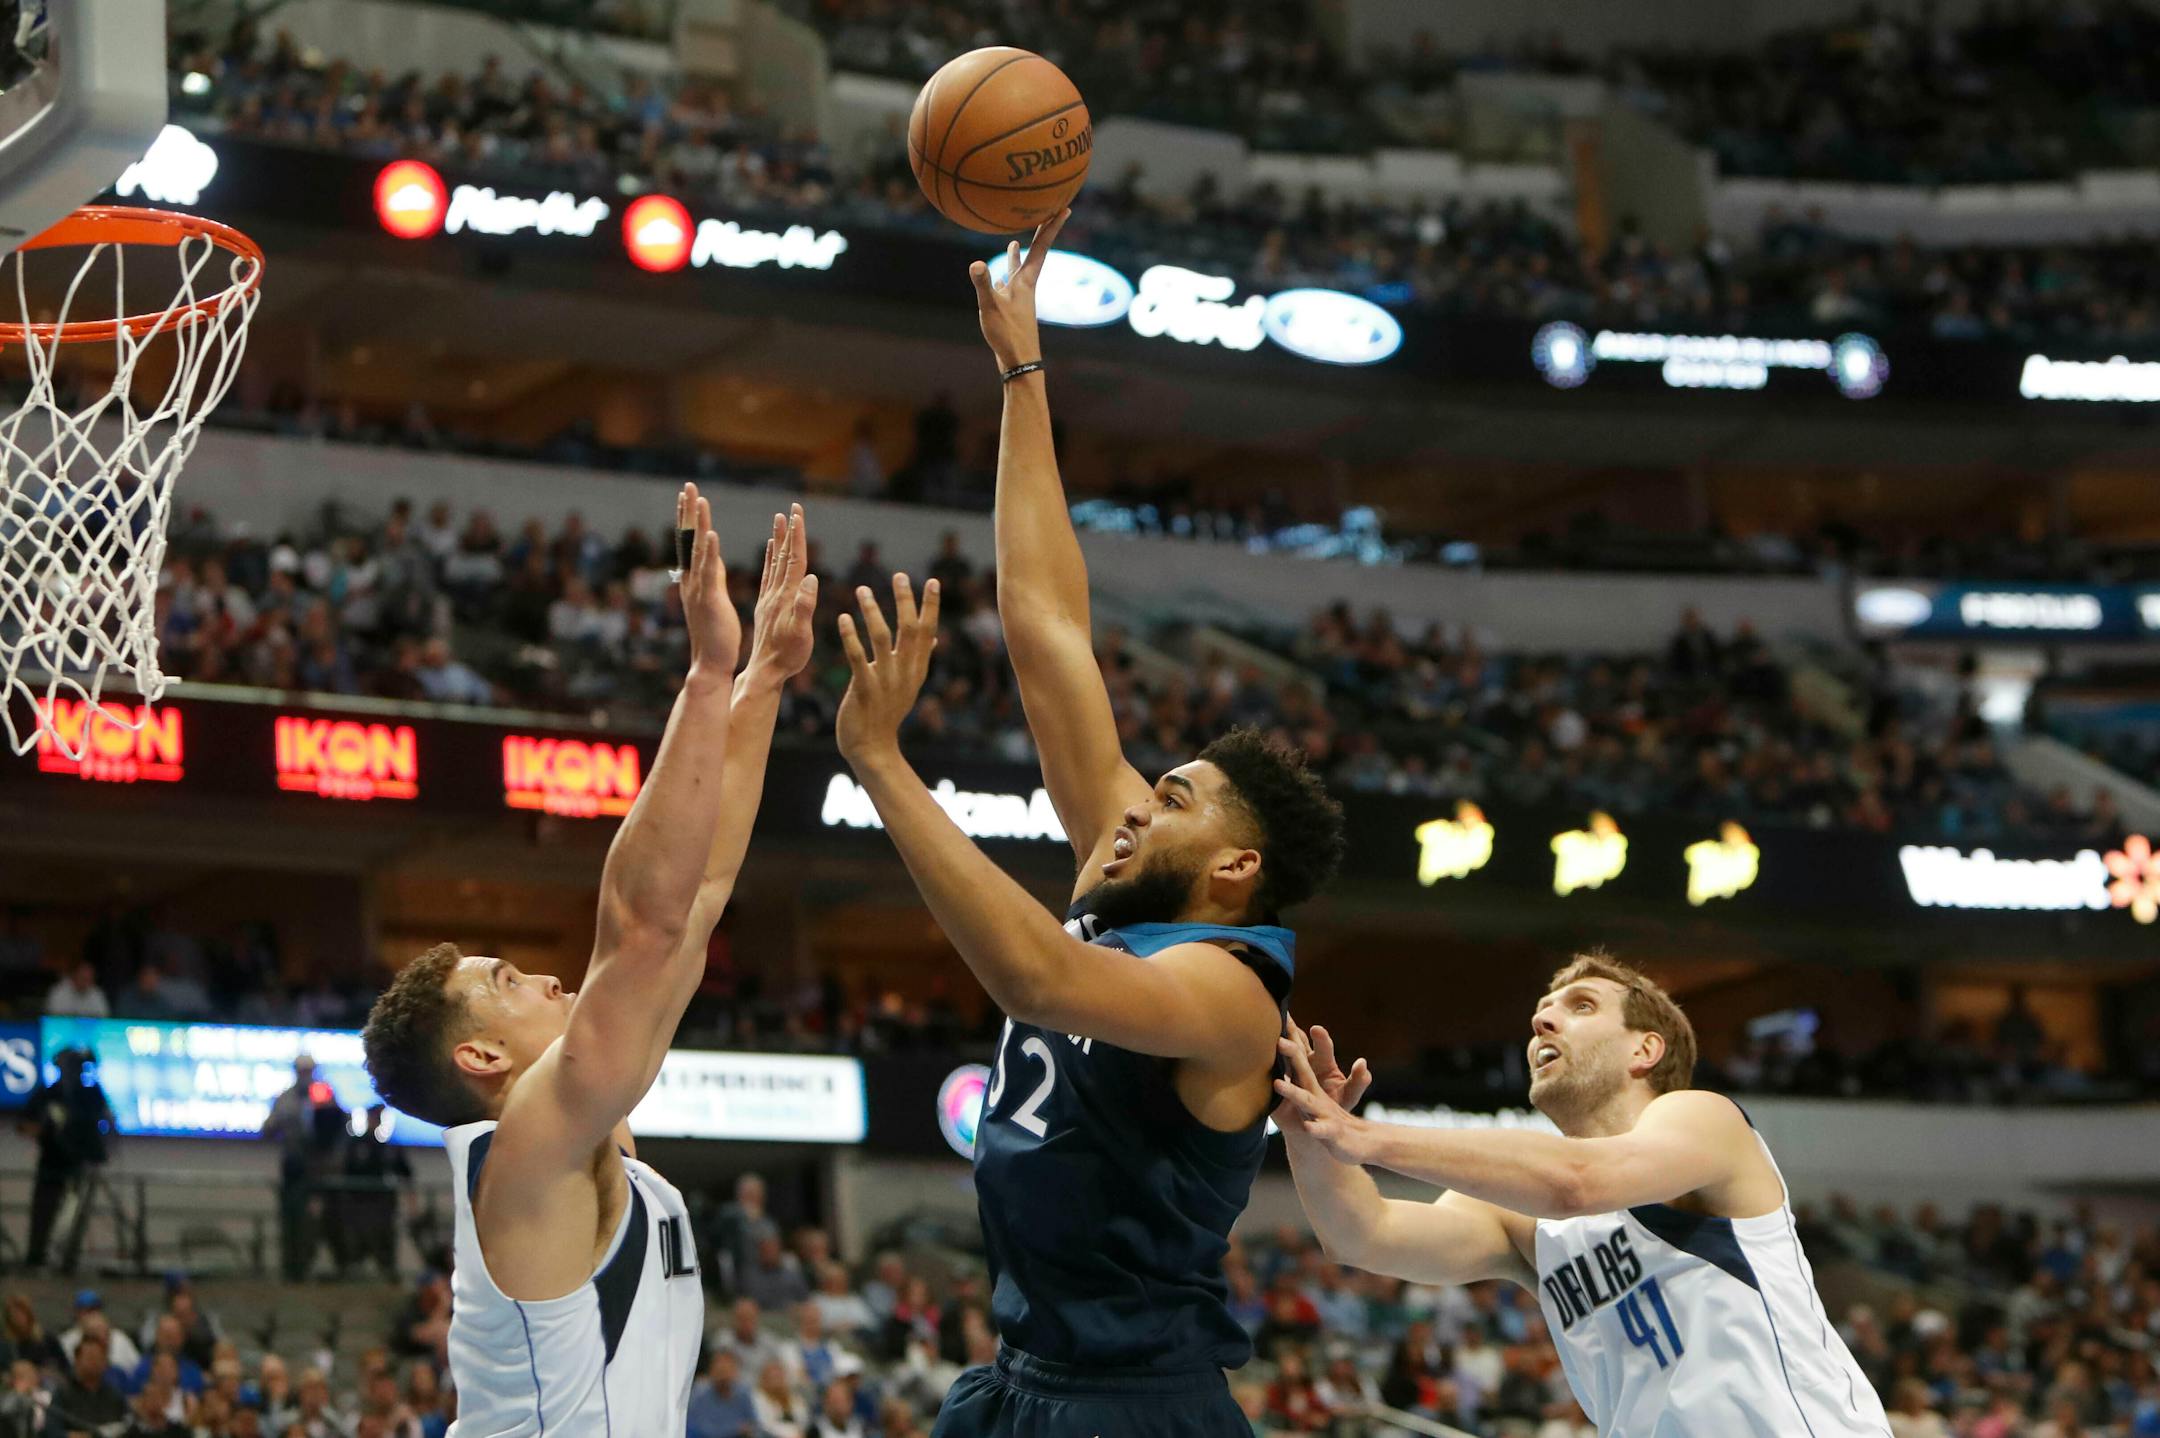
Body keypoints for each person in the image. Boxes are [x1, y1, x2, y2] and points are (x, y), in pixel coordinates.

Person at [828, 211, 1346, 1438]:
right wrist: (1020, 370)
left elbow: (1035, 977)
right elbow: (1047, 624)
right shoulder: (1136, 875)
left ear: (1234, 864)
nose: (1131, 802)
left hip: (1134, 1410)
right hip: (1020, 1385)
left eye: (1172, 796)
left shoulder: (1228, 993)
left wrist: (880, 762)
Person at [360, 494, 818, 1436]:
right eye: (507, 984)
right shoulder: (527, 1148)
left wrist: (762, 680)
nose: (549, 981)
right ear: (481, 1057)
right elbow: (642, 928)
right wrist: (704, 673)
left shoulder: (593, 1142)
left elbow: (695, 897)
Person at [1272, 951, 1893, 1438]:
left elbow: (1579, 1182)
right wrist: (1308, 1129)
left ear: (1644, 1050)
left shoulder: (1704, 1120)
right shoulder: (1524, 1218)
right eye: (1542, 1010)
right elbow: (1363, 1233)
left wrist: (1365, 1135)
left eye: (1581, 1006)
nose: (1543, 1019)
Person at [18, 1047, 116, 1272]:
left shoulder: (90, 1094)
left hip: (79, 1166)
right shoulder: (48, 1094)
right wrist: (45, 1128)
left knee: (73, 1217)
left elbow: (107, 1122)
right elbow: (24, 1124)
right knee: (43, 1213)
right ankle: (36, 1258)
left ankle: (66, 1261)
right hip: (51, 1166)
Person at [258, 1056, 348, 1281]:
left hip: (320, 1171)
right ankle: (292, 1271)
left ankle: (320, 1268)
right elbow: (267, 1130)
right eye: (302, 1071)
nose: (305, 1076)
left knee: (321, 1224)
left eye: (309, 1071)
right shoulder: (285, 1099)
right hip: (293, 1169)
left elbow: (338, 1129)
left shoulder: (326, 1095)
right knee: (291, 1221)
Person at [687, 1349, 757, 1438]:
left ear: (736, 1372)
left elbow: (754, 1425)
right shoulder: (700, 1393)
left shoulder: (743, 1393)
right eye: (720, 1370)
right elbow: (700, 1429)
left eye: (728, 1370)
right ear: (711, 1371)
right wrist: (737, 1429)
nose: (724, 1376)